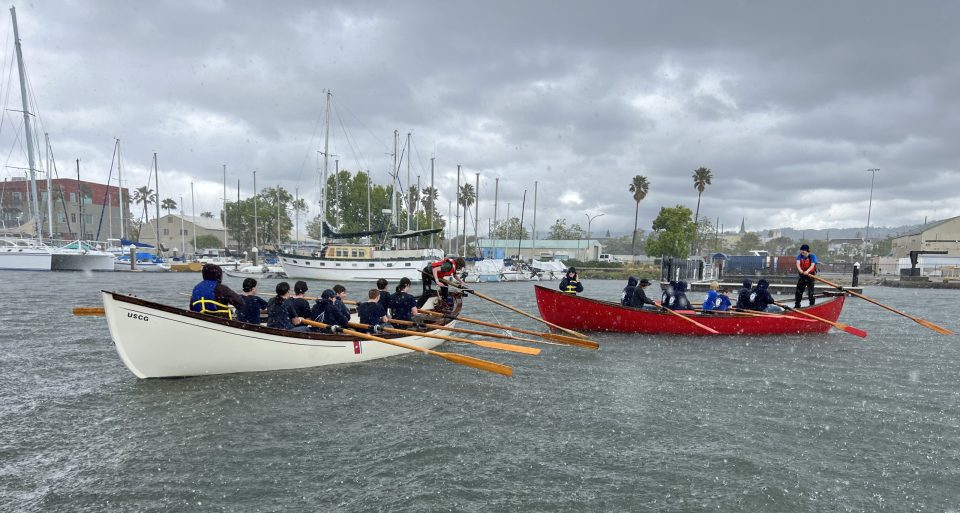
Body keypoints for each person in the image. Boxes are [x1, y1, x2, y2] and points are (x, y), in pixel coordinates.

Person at [795, 243, 819, 308]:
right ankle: (797, 304)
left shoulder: (812, 256)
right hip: (802, 275)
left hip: (810, 275)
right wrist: (801, 271)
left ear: (807, 250)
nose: (802, 251)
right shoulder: (799, 256)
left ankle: (811, 304)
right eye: (801, 250)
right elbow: (798, 264)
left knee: (810, 291)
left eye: (804, 250)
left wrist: (807, 271)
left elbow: (812, 265)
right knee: (799, 290)